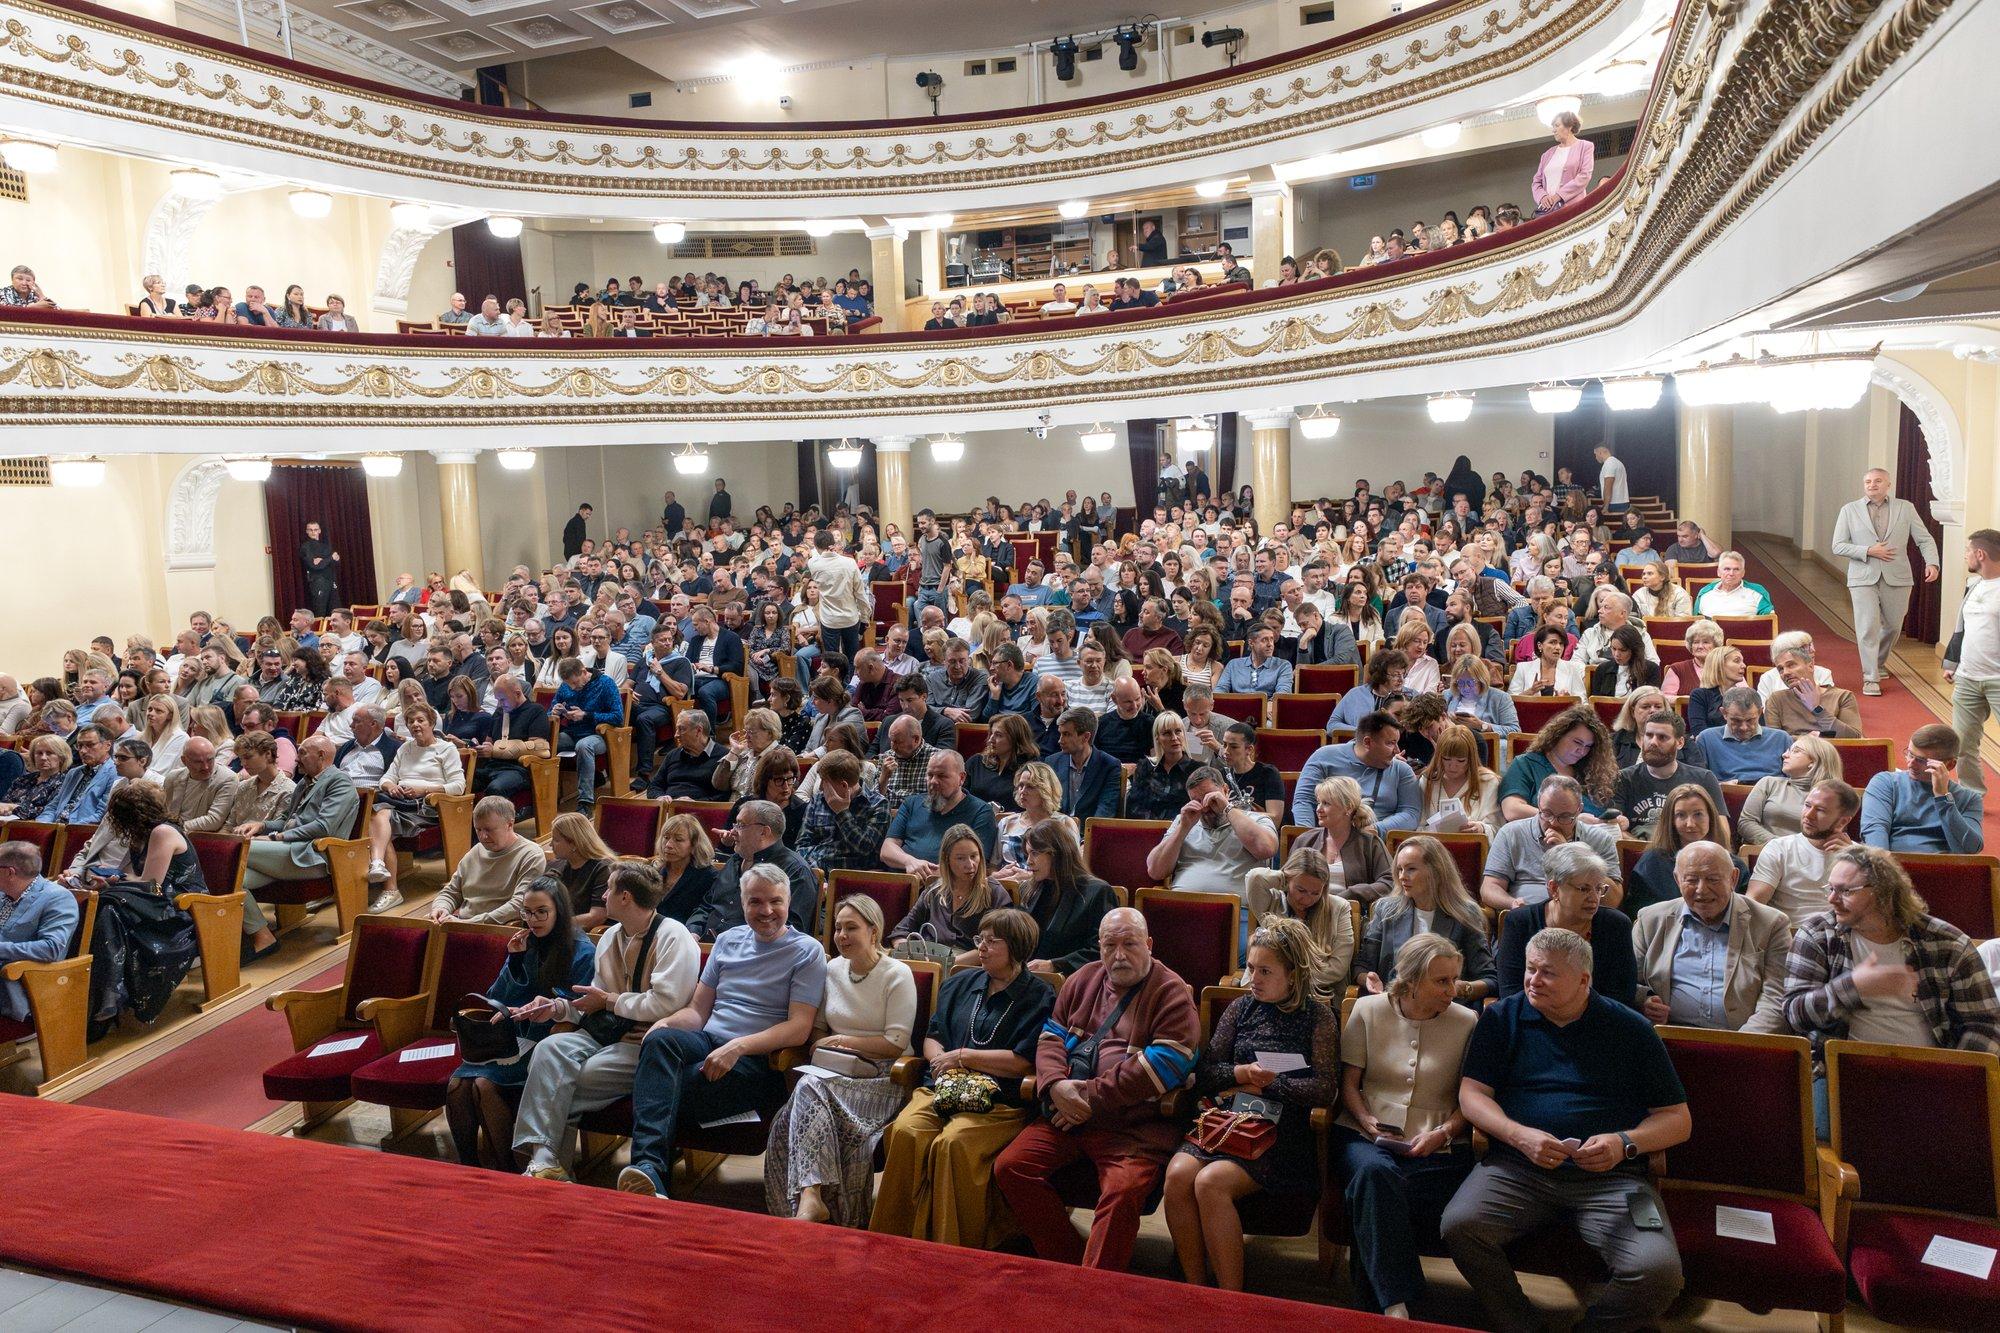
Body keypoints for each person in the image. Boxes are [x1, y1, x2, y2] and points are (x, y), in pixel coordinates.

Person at [1444, 925, 1691, 1331]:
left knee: (1658, 1272)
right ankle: (1520, 1323)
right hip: (1520, 1167)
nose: (1532, 981)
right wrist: (1518, 1135)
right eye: (1529, 969)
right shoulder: (1503, 1017)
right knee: (1460, 1226)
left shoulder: (1629, 1028)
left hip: (1611, 1178)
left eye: (1547, 973)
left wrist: (1624, 1142)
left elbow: (1677, 1120)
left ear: (1583, 980)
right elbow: (1472, 1095)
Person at [994, 907, 1199, 1271]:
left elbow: (1163, 1066)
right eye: (1109, 945)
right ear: (1099, 948)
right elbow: (1050, 1038)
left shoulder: (1171, 992)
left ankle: (1094, 1290)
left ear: (1149, 944)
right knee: (1012, 1167)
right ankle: (1071, 1264)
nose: (1119, 955)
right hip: (1067, 1116)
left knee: (1121, 1194)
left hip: (1133, 1126)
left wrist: (1086, 1098)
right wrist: (1055, 1085)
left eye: (1130, 944)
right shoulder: (1083, 979)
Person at [615, 863, 826, 1199]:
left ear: (788, 902)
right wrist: (664, 1024)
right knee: (660, 1042)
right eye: (755, 902)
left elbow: (799, 1028)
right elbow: (698, 1012)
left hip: (757, 1060)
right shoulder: (727, 941)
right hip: (708, 1041)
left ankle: (651, 1171)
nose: (766, 911)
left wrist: (738, 1047)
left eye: (775, 902)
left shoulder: (807, 951)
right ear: (742, 904)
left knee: (660, 1086)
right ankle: (649, 1171)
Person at [1164, 916, 1337, 1291]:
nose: (1253, 979)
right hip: (1227, 1118)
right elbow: (1207, 1071)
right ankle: (1194, 1286)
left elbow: (1324, 1089)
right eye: (1251, 968)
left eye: (1265, 971)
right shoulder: (1241, 1009)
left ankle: (1231, 1297)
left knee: (1210, 1182)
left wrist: (1272, 1086)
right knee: (1177, 1175)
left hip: (1282, 1132)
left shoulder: (1318, 1016)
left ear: (1292, 975)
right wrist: (1242, 1073)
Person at [1784, 845, 2000, 1137]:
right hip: (1842, 1072)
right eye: (1830, 888)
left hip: (1932, 1071)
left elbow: (1984, 1025)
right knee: (1825, 1132)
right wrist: (1853, 988)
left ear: (1883, 893)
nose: (1831, 899)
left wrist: (1954, 1079)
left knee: (1963, 1138)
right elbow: (1795, 1014)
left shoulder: (1947, 943)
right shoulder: (1818, 934)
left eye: (1845, 891)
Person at [869, 907, 1053, 1247]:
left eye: (991, 941)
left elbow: (1022, 1062)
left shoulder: (1039, 997)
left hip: (998, 1102)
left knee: (952, 1143)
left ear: (1017, 946)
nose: (980, 947)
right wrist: (940, 1060)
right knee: (906, 1131)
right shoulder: (960, 982)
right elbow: (933, 1035)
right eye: (979, 939)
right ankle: (890, 1239)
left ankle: (950, 1245)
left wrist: (963, 1057)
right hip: (941, 1088)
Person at [511, 862, 702, 1180]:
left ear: (625, 897)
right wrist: (558, 1009)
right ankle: (545, 1160)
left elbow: (664, 1004)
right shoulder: (612, 935)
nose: (603, 895)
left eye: (609, 889)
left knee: (571, 1080)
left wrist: (611, 1002)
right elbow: (594, 1003)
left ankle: (547, 1167)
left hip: (647, 1041)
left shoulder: (674, 936)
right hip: (606, 1031)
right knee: (549, 1049)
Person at [1333, 932, 1478, 1317]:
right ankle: (1400, 1303)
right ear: (1411, 981)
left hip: (1439, 1144)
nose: (1454, 989)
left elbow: (1472, 1101)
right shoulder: (1368, 1010)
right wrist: (1366, 1121)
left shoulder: (1467, 1021)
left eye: (1455, 979)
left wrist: (1443, 1133)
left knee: (1371, 1193)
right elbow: (1349, 1083)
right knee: (1375, 1174)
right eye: (1442, 981)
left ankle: (1385, 1306)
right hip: (1364, 1135)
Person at [764, 895, 917, 1224]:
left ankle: (809, 1201)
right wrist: (829, 1049)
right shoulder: (831, 969)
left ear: (874, 932)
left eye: (852, 928)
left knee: (803, 1094)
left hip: (884, 1078)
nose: (842, 936)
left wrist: (847, 1041)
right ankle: (807, 1201)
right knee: (798, 1102)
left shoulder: (897, 974)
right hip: (834, 1073)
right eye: (837, 928)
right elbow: (817, 1031)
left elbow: (896, 1042)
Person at [445, 876, 595, 1170]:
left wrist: (534, 1008)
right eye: (526, 912)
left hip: (547, 1041)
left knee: (484, 1086)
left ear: (559, 912)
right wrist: (514, 961)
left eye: (541, 912)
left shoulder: (582, 950)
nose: (532, 920)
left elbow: (575, 1005)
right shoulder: (526, 943)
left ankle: (506, 1170)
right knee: (456, 1085)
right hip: (511, 1037)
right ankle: (468, 1167)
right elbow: (494, 998)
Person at [1632, 842, 1791, 1034]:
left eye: (1713, 879)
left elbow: (1775, 1001)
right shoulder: (1650, 919)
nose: (1702, 889)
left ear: (1733, 878)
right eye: (1691, 880)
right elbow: (1628, 983)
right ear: (1677, 879)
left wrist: (1742, 1046)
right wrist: (1645, 999)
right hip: (1666, 1038)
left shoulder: (1771, 924)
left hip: (1742, 1041)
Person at [238, 734, 356, 954]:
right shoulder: (304, 782)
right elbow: (285, 820)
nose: (295, 759)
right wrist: (261, 826)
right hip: (288, 853)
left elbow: (324, 827)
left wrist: (277, 837)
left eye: (302, 752)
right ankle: (263, 937)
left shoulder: (339, 781)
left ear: (321, 755)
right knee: (232, 881)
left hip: (314, 855)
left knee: (236, 849)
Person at [1831, 467, 1940, 695]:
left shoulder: (1905, 508)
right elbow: (1838, 545)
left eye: (1878, 481)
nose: (1872, 485)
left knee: (1893, 626)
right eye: (1868, 481)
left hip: (1898, 576)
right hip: (1862, 577)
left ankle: (1879, 663)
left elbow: (1924, 539)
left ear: (1888, 484)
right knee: (1867, 626)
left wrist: (1932, 563)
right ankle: (1870, 677)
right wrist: (1868, 550)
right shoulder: (1849, 510)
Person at [1354, 835, 1496, 1002]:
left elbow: (1489, 979)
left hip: (1444, 1008)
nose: (1402, 876)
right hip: (1395, 1004)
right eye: (1399, 869)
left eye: (1411, 869)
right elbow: (1361, 966)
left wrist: (1462, 988)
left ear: (1436, 871)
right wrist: (1367, 979)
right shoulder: (1386, 910)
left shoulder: (1464, 913)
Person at [1495, 842, 1636, 1009]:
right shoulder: (1520, 922)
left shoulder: (1616, 925)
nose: (1594, 898)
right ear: (1554, 889)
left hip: (1597, 1023)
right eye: (1584, 889)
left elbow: (1622, 994)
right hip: (1531, 1021)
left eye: (1599, 889)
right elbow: (1510, 990)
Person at [360, 703, 465, 913]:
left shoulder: (446, 748)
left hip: (428, 807)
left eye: (420, 720)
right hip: (399, 803)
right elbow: (387, 778)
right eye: (410, 721)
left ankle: (384, 876)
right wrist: (392, 786)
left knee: (379, 817)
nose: (415, 725)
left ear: (432, 723)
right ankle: (384, 878)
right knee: (378, 815)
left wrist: (423, 790)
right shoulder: (405, 748)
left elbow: (458, 786)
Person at [1480, 775, 1622, 911]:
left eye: (1565, 816)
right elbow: (1489, 888)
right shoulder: (1511, 833)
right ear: (1538, 804)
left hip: (1581, 916)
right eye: (1546, 813)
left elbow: (1613, 900)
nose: (1553, 823)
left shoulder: (1600, 838)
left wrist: (1569, 853)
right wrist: (1512, 903)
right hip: (1527, 915)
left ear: (1579, 809)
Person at [1145, 765, 1280, 904]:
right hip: (1184, 908)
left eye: (1211, 798)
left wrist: (1227, 808)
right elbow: (1155, 871)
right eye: (1197, 801)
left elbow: (1266, 850)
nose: (1205, 806)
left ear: (1226, 790)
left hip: (1240, 912)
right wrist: (1183, 829)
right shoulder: (1184, 821)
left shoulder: (1256, 820)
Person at [1243, 848, 1355, 998]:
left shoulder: (1339, 908)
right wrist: (1283, 877)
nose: (1307, 900)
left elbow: (1337, 968)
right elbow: (1254, 877)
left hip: (1317, 994)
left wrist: (1287, 982)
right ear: (1288, 880)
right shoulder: (1272, 901)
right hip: (1265, 991)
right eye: (1301, 890)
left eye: (1316, 893)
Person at [1860, 722, 1983, 853]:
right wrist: (1883, 868)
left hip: (1943, 869)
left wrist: (1943, 798)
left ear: (1950, 765)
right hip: (1890, 865)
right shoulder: (1885, 782)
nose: (1910, 763)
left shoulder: (1969, 799)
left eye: (1921, 760)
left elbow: (1970, 849)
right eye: (1910, 754)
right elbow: (1875, 830)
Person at [1293, 711, 1421, 832]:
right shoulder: (1324, 757)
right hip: (1326, 840)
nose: (1397, 751)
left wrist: (1375, 830)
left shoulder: (1402, 770)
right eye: (1390, 743)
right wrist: (1309, 837)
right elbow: (1303, 800)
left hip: (1377, 844)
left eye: (1397, 743)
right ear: (1367, 742)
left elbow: (1410, 814)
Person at [428, 795, 547, 925]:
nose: (483, 836)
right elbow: (451, 892)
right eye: (478, 829)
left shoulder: (531, 855)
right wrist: (441, 908)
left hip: (496, 929)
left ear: (510, 824)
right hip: (462, 924)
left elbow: (520, 904)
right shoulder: (475, 852)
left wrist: (471, 923)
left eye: (489, 829)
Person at [0, 840, 81, 1028]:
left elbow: (51, 949)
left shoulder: (57, 898)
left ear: (9, 872)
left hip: (19, 983)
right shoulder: (4, 893)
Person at [1612, 712, 1724, 838]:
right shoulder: (1623, 778)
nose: (1653, 742)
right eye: (1649, 735)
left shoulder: (1704, 778)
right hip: (1640, 853)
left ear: (1680, 743)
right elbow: (1615, 830)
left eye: (1662, 737)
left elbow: (1721, 832)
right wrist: (1650, 851)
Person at [1289, 776, 1394, 904]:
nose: (1318, 809)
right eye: (1318, 802)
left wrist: (1351, 894)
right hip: (1306, 911)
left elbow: (1389, 882)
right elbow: (1285, 879)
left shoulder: (1370, 843)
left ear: (1348, 808)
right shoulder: (1304, 840)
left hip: (1352, 914)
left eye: (1326, 803)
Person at [1737, 733, 1843, 844]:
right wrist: (1782, 847)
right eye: (1788, 750)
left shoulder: (1833, 798)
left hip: (1810, 857)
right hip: (1766, 852)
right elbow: (1746, 823)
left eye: (1795, 751)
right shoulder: (1769, 783)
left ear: (1813, 761)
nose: (1784, 755)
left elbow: (1831, 837)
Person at [1689, 686, 1790, 784]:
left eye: (1750, 720)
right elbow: (1698, 783)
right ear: (1724, 713)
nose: (1743, 727)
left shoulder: (1781, 739)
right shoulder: (1707, 739)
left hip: (1773, 795)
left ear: (1760, 712)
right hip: (1727, 795)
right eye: (1736, 720)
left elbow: (1796, 780)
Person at [1416, 724, 1501, 837]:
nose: (1452, 767)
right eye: (1446, 759)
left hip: (1472, 850)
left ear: (1471, 759)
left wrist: (1482, 828)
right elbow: (1416, 828)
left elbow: (1499, 829)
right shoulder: (1428, 780)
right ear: (1438, 756)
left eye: (1460, 761)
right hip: (1432, 849)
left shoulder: (1489, 782)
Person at [1764, 644, 1861, 737]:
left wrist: (1816, 709)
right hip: (1792, 753)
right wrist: (1810, 739)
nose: (1785, 673)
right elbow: (1774, 742)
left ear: (1810, 666)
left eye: (1791, 665)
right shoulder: (1776, 699)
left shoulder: (1843, 696)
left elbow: (1853, 737)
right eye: (1780, 669)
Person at [543, 811, 614, 931]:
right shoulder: (554, 865)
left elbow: (597, 917)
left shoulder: (603, 869)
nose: (550, 844)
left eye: (556, 840)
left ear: (574, 843)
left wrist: (555, 925)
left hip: (585, 936)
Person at [1123, 712, 1197, 821]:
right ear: (1157, 738)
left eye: (1178, 731)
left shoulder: (1196, 770)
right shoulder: (1145, 767)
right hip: (1148, 830)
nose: (1174, 738)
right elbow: (1135, 807)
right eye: (1167, 733)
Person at [1052, 706, 1121, 820]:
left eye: (1067, 734)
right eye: (1060, 734)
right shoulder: (1053, 762)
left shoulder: (1109, 765)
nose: (1060, 740)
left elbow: (1105, 810)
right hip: (1057, 832)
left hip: (1088, 833)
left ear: (1085, 737)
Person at [1508, 624, 1587, 696]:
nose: (1558, 647)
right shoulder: (1523, 668)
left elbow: (1583, 703)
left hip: (1564, 711)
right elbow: (1510, 702)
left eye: (1561, 643)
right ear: (1540, 646)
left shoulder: (1572, 669)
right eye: (1553, 643)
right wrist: (1530, 691)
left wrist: (1569, 699)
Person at [1691, 551, 1776, 617]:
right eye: (1727, 569)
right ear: (1718, 572)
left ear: (1743, 573)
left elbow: (1769, 621)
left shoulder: (1757, 592)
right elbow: (1696, 625)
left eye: (1736, 569)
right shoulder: (1705, 593)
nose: (1731, 573)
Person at [298, 520, 341, 617]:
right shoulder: (306, 547)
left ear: (320, 531)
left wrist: (325, 560)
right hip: (318, 582)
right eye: (311, 530)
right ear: (307, 531)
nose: (313, 532)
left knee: (335, 611)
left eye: (315, 530)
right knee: (320, 611)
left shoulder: (326, 546)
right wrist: (330, 558)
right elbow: (315, 566)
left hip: (331, 581)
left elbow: (334, 563)